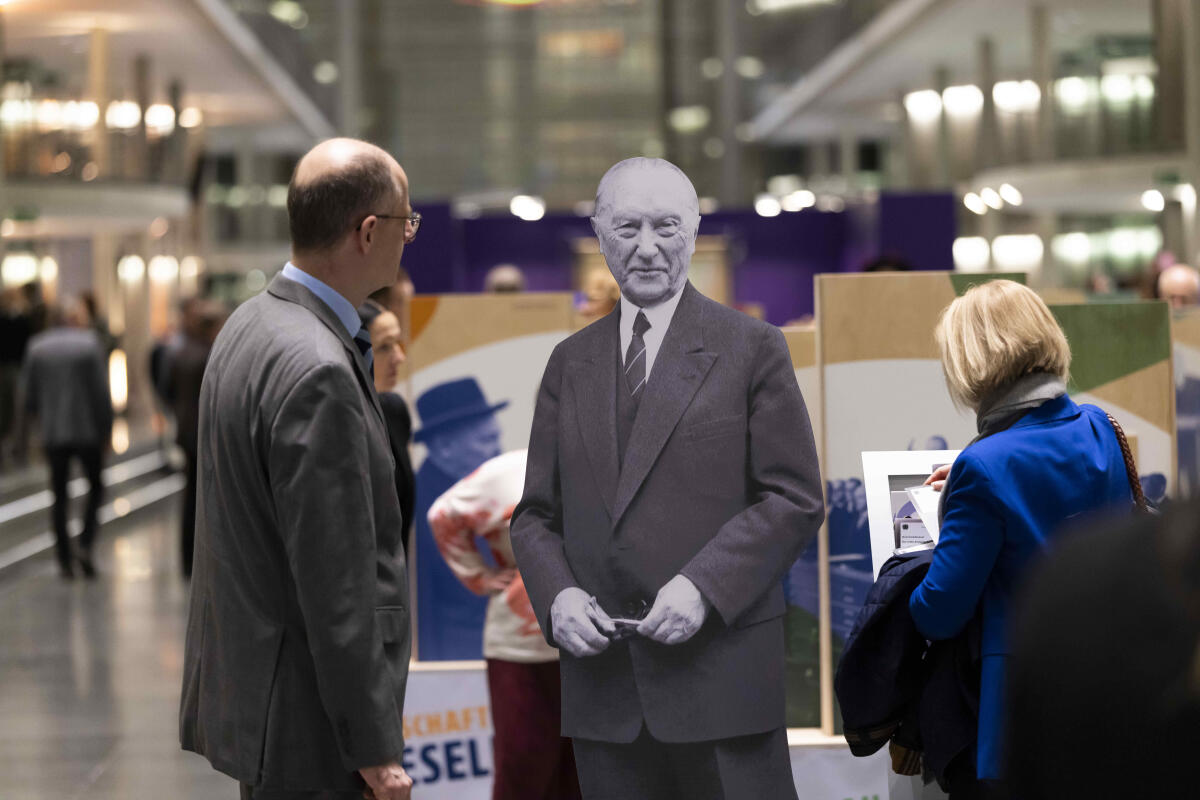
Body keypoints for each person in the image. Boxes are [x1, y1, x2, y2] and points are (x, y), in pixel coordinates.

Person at [510, 158, 825, 800]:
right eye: (628, 228)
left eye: (666, 226)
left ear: (695, 230)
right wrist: (558, 596)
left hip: (722, 682)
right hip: (606, 691)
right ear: (600, 236)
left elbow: (794, 497)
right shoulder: (570, 363)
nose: (648, 247)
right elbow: (536, 514)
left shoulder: (752, 348)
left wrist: (704, 587)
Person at [180, 138, 417, 800]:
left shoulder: (249, 324)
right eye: (405, 222)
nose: (408, 238)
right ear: (367, 232)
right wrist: (373, 748)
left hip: (260, 696)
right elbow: (337, 582)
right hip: (310, 723)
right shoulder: (318, 369)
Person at [908, 279, 1134, 798]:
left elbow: (938, 612)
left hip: (1021, 714)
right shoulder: (1101, 426)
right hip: (1108, 691)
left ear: (970, 361)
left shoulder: (983, 467)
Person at [428, 449, 581, 800]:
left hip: (597, 651)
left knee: (584, 778)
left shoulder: (607, 464)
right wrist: (479, 577)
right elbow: (443, 515)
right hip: (522, 649)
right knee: (522, 770)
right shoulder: (509, 470)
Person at [412, 377, 508, 660]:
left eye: (497, 438)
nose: (498, 450)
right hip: (455, 661)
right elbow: (421, 606)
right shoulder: (418, 506)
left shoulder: (486, 488)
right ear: (444, 447)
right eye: (487, 441)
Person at [20, 297, 112, 578]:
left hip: (54, 432)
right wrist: (107, 429)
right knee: (95, 487)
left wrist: (30, 433)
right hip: (87, 431)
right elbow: (101, 393)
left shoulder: (37, 347)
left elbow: (28, 395)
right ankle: (85, 543)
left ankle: (63, 558)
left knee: (59, 494)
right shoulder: (89, 344)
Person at [167, 299, 226, 579]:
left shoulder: (181, 353)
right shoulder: (212, 356)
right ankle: (198, 559)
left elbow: (167, 388)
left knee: (190, 495)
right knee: (202, 498)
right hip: (205, 432)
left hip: (186, 430)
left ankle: (186, 558)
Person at [358, 302, 415, 555]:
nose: (399, 357)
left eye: (398, 343)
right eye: (384, 347)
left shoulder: (394, 410)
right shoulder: (338, 422)